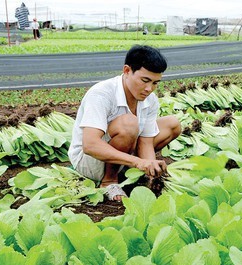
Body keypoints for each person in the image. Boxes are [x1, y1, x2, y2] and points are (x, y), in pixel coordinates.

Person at [68, 45, 181, 201]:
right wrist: (138, 162)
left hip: (124, 156)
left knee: (172, 124)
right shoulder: (102, 94)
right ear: (127, 71)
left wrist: (151, 170)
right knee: (129, 123)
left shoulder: (150, 99)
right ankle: (109, 182)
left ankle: (133, 174)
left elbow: (146, 142)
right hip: (90, 162)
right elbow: (90, 145)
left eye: (155, 83)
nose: (149, 89)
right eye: (145, 80)